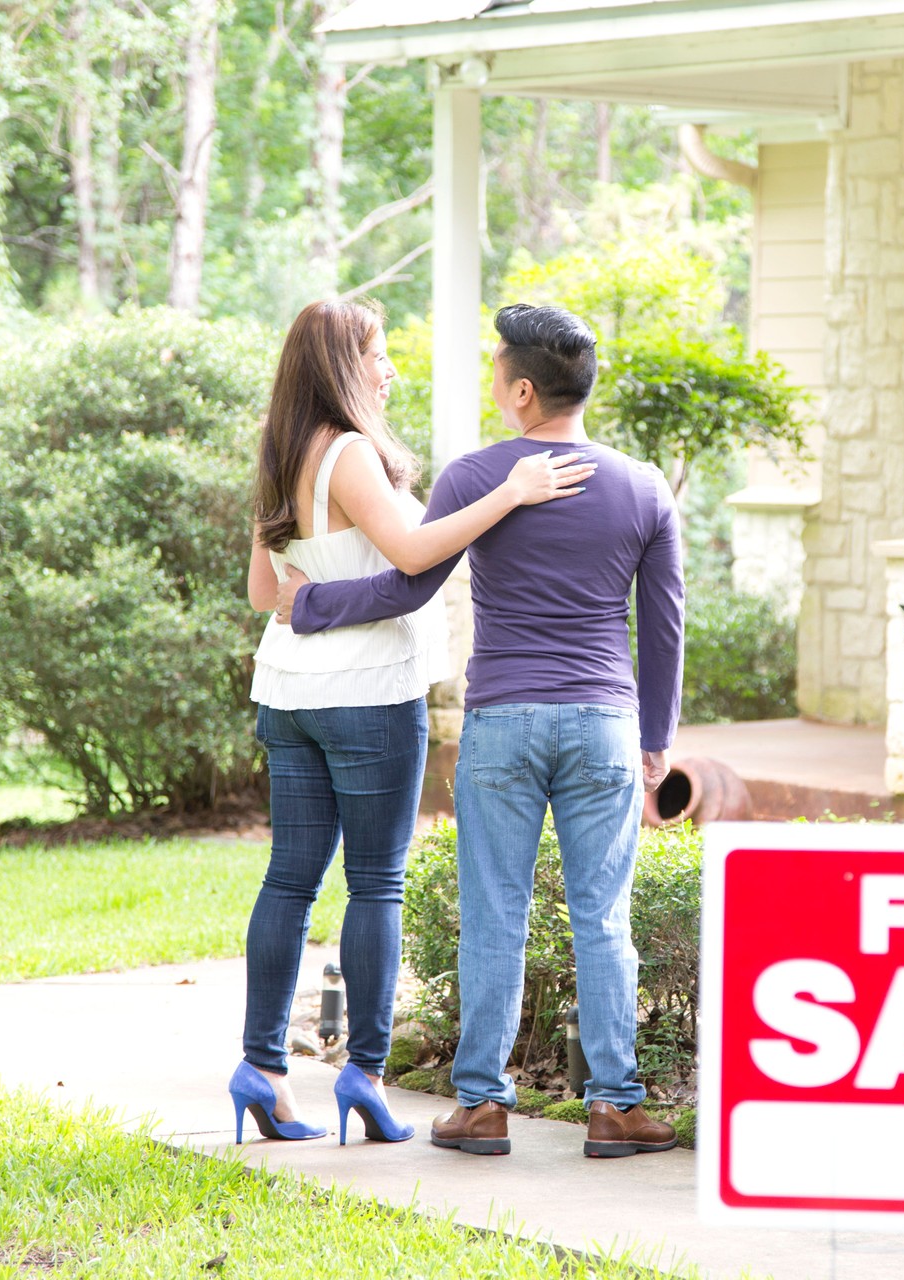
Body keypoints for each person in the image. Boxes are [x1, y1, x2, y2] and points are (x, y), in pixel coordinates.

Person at [276, 303, 685, 1159]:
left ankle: (481, 1106)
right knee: (602, 916)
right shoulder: (643, 487)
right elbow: (664, 627)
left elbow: (403, 588)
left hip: (501, 724)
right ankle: (616, 1107)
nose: (492, 378)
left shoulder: (474, 478)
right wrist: (656, 739)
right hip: (605, 723)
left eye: (498, 367)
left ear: (524, 391)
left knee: (494, 913)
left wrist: (312, 603)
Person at [229, 299, 595, 1147]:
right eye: (378, 355)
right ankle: (364, 1074)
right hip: (367, 690)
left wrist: (312, 585)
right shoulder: (350, 452)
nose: (389, 369)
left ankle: (263, 1071)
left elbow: (261, 595)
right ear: (339, 368)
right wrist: (511, 490)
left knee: (288, 881)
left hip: (288, 691)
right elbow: (416, 553)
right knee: (376, 885)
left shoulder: (283, 455)